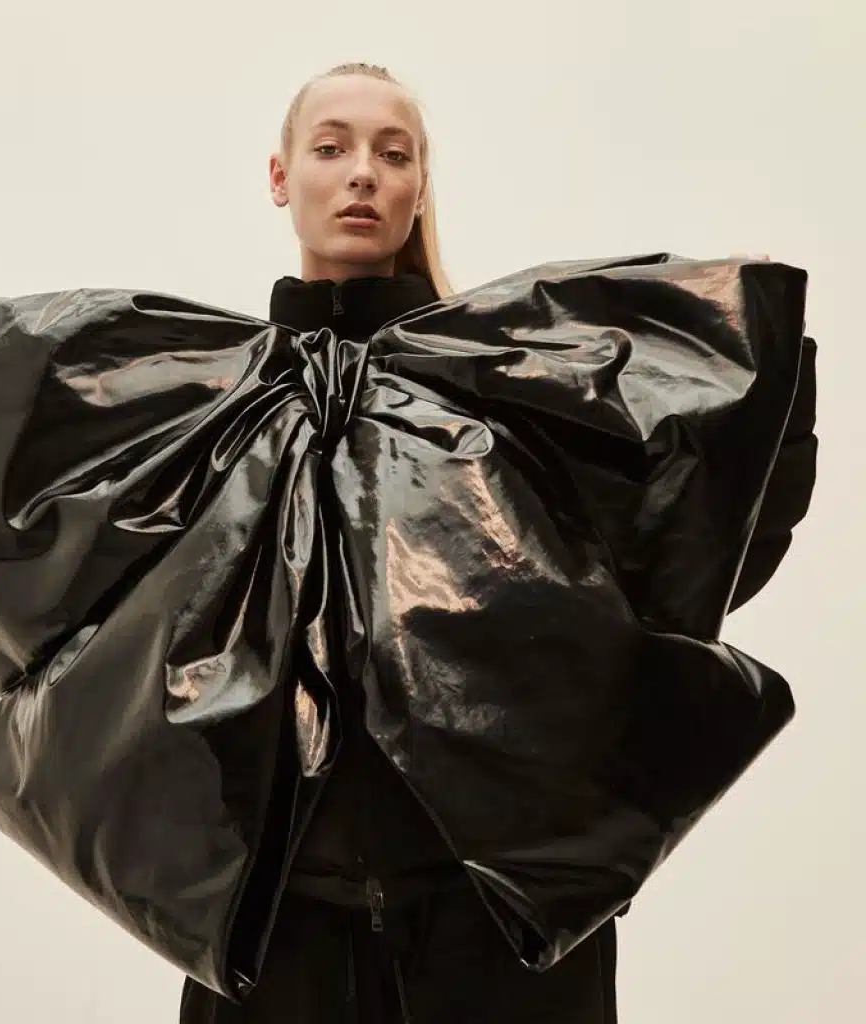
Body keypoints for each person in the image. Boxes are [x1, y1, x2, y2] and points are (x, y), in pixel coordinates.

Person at [177, 62, 818, 1024]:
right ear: (281, 176)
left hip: (489, 935)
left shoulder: (500, 388)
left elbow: (690, 559)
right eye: (332, 147)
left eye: (394, 154)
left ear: (419, 186)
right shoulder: (213, 411)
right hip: (277, 940)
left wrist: (764, 375)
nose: (363, 172)